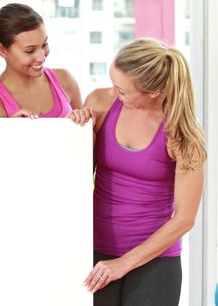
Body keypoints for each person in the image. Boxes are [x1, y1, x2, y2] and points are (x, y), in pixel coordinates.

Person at [69, 38, 207, 306]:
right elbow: (76, 178)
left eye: (121, 91)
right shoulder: (101, 102)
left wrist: (123, 264)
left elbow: (185, 219)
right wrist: (76, 132)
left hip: (155, 260)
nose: (112, 93)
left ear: (154, 91)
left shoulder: (182, 133)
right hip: (95, 247)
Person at [0, 3, 82, 118]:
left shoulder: (65, 80)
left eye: (44, 44)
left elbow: (87, 135)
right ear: (2, 49)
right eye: (30, 51)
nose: (42, 58)